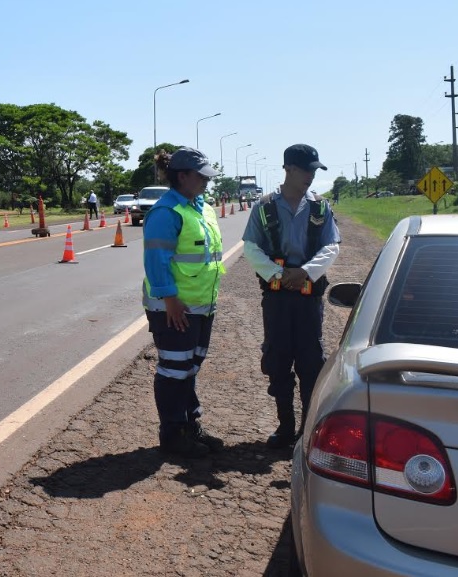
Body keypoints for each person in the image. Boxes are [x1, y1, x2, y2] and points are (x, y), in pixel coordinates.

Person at [243, 144, 341, 449]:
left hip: (309, 298)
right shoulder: (265, 206)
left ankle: (306, 431)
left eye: (315, 170)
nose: (311, 176)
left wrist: (306, 272)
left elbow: (331, 246)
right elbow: (251, 247)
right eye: (307, 170)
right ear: (289, 169)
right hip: (277, 299)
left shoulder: (320, 208)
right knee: (278, 359)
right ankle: (285, 427)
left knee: (311, 362)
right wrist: (276, 273)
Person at [141, 148, 226, 457]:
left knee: (190, 368)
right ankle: (173, 435)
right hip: (175, 309)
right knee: (174, 370)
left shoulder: (201, 208)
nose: (206, 181)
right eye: (201, 176)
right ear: (182, 176)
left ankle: (190, 425)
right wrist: (171, 300)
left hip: (202, 306)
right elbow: (156, 260)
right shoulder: (166, 213)